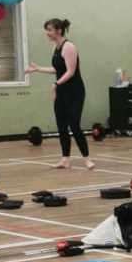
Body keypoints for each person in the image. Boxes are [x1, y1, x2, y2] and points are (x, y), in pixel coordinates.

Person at [25, 18, 95, 170]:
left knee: (74, 125)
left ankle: (87, 158)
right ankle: (65, 159)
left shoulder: (69, 47)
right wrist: (38, 69)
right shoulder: (55, 48)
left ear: (58, 30)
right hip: (62, 91)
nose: (47, 33)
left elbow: (70, 72)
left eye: (49, 30)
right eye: (47, 30)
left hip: (74, 91)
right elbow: (57, 70)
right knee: (62, 125)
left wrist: (56, 84)